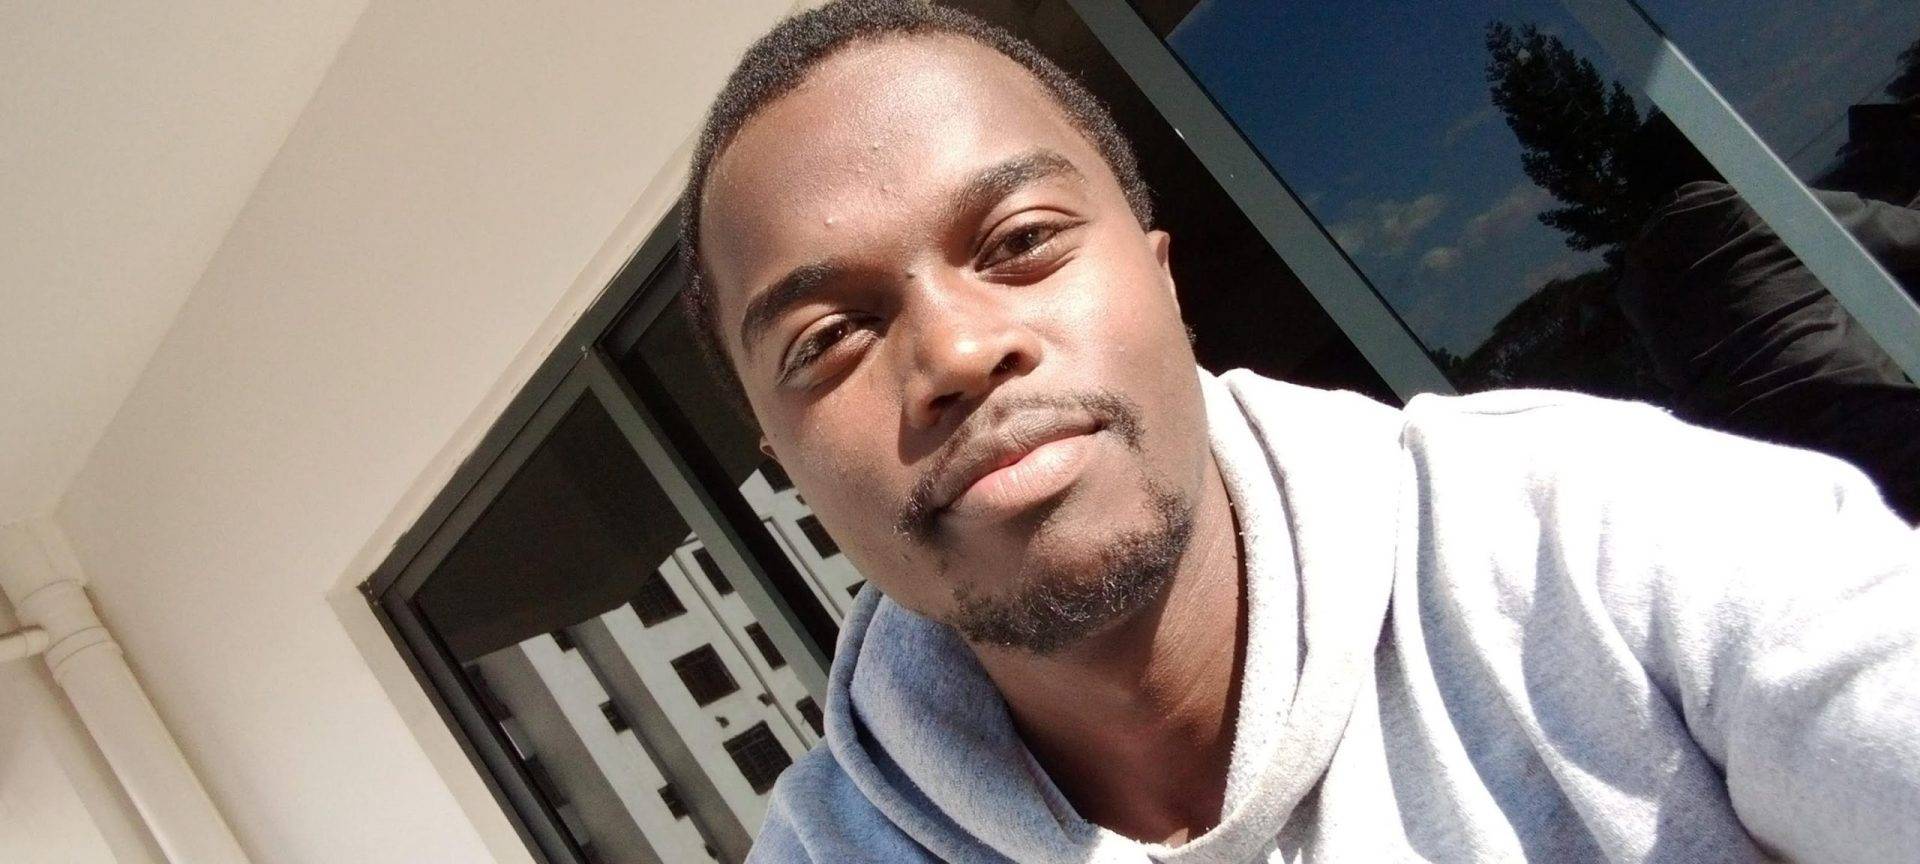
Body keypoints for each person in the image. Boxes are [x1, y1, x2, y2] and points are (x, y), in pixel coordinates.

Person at [678, 2, 1920, 860]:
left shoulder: (1595, 539)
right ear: (786, 465)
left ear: (1163, 279)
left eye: (1021, 242)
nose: (956, 352)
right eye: (827, 339)